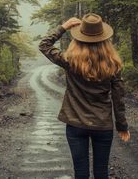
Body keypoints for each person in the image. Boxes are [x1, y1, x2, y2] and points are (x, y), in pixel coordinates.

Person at [38, 13, 130, 179]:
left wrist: (63, 27)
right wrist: (122, 125)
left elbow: (44, 45)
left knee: (81, 173)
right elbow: (118, 97)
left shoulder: (69, 60)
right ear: (105, 40)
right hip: (102, 125)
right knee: (101, 173)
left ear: (79, 39)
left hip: (75, 125)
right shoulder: (113, 64)